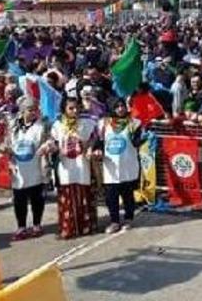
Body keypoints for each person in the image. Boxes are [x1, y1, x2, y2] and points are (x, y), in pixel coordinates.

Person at [50, 97, 98, 239]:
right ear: (64, 109)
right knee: (67, 196)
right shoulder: (58, 125)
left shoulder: (88, 123)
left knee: (83, 195)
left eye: (77, 107)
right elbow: (53, 143)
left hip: (82, 166)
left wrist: (89, 148)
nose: (75, 111)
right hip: (66, 167)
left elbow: (94, 140)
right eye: (71, 108)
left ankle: (86, 227)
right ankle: (68, 228)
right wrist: (51, 148)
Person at [95, 98, 143, 234]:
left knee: (128, 195)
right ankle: (114, 221)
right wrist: (97, 149)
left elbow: (137, 141)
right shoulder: (103, 124)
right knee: (111, 196)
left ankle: (128, 218)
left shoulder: (134, 123)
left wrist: (142, 138)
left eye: (122, 106)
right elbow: (98, 141)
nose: (120, 109)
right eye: (117, 106)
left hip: (127, 164)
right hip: (110, 166)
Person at [5, 98, 49, 241]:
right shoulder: (13, 127)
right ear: (22, 111)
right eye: (30, 110)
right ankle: (21, 226)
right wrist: (7, 156)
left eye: (35, 109)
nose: (33, 112)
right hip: (18, 168)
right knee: (19, 199)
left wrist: (46, 146)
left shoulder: (41, 126)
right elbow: (7, 145)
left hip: (35, 167)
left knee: (37, 198)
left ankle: (37, 224)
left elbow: (48, 140)